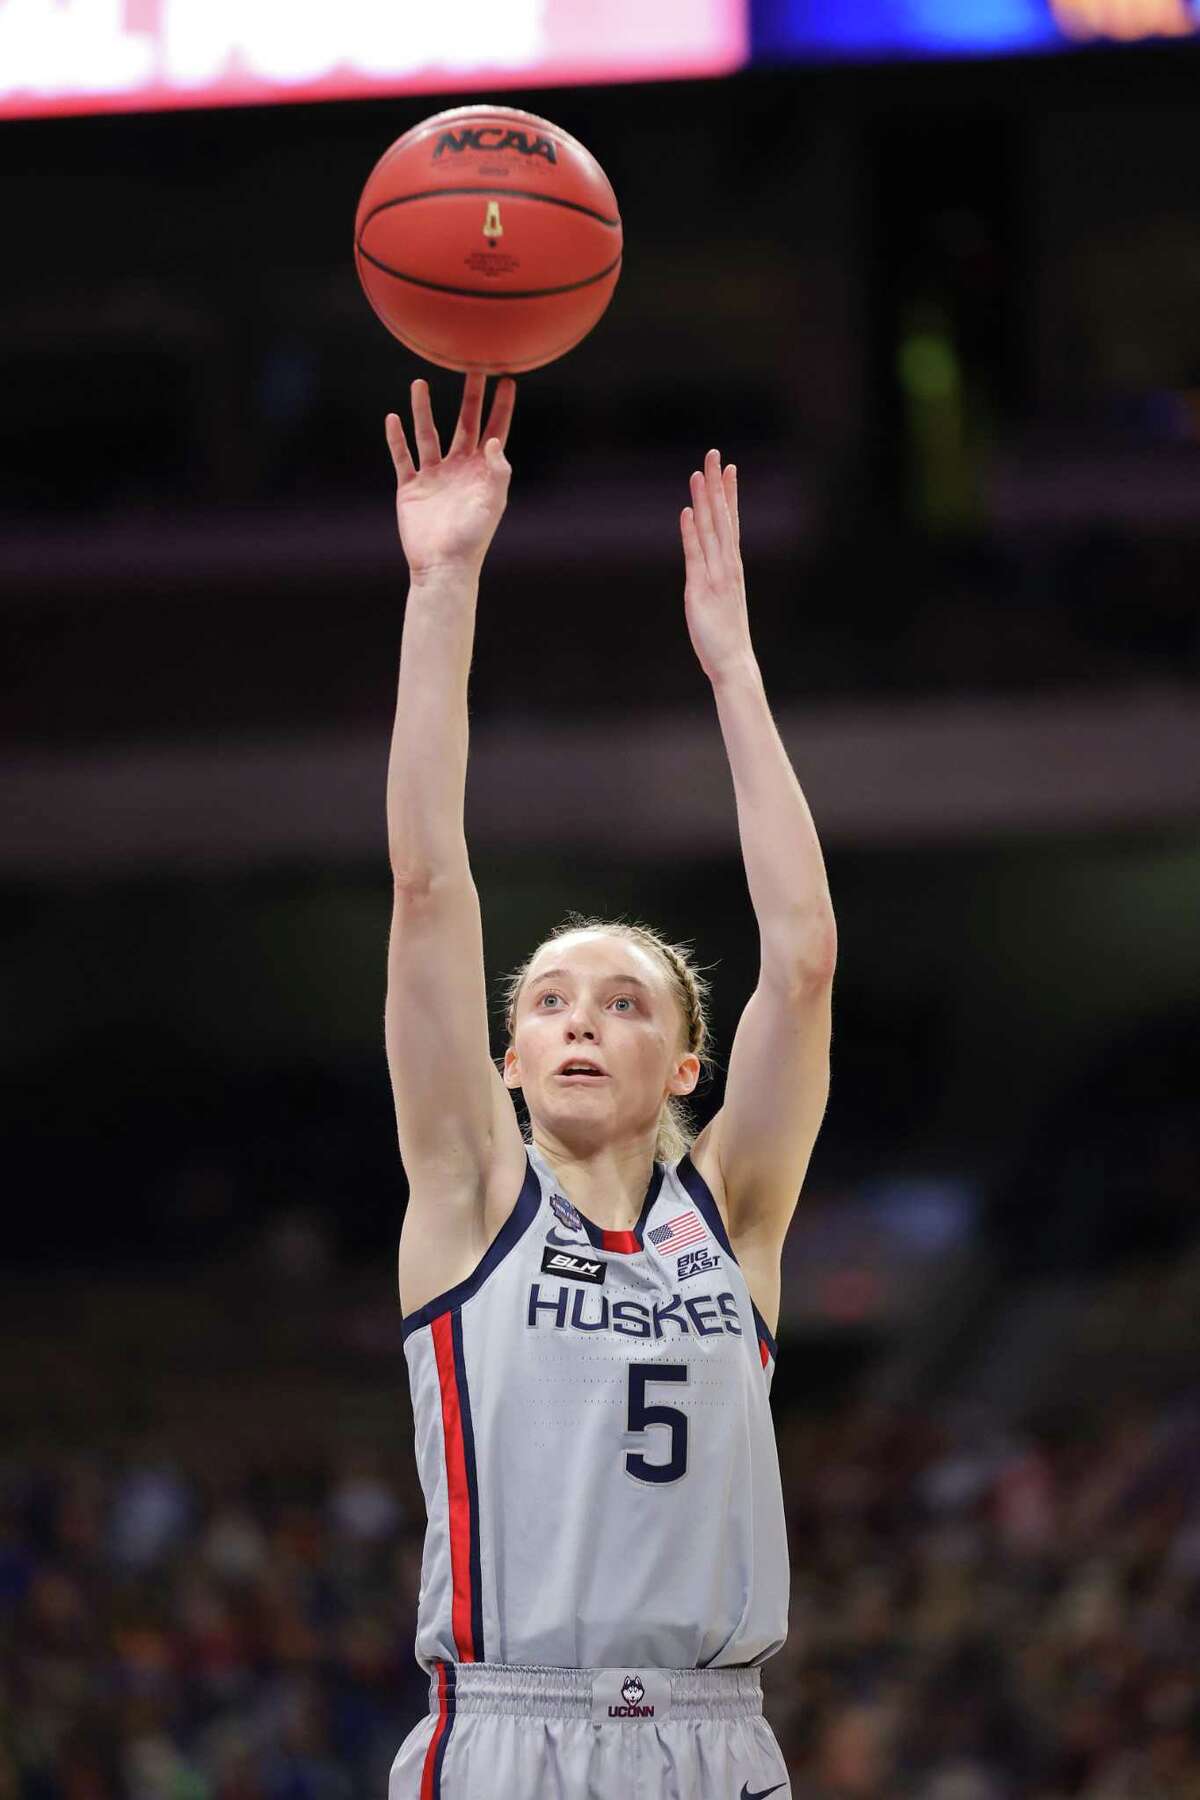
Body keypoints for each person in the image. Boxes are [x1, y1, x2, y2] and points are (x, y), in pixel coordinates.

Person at [383, 372, 836, 1799]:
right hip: (507, 1729)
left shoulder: (736, 1223)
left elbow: (806, 959)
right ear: (506, 1059)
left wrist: (735, 674)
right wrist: (443, 581)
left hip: (720, 1738)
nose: (580, 1022)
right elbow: (426, 882)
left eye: (626, 1002)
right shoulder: (465, 1197)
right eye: (550, 1003)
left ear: (682, 1064)